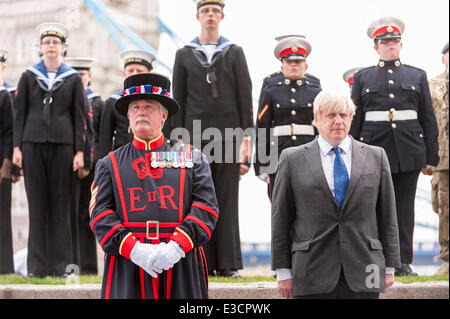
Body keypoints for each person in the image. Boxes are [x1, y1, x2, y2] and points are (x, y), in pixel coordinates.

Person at [90, 73, 218, 299]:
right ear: (128, 116)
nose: (141, 112)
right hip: (128, 262)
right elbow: (99, 215)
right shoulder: (108, 164)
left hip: (181, 261)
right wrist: (134, 249)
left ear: (164, 115)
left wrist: (176, 246)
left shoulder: (193, 157)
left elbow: (206, 208)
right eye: (135, 107)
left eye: (149, 106)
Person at [272, 91, 401, 299]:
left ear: (351, 118)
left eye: (344, 115)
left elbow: (388, 215)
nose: (339, 121)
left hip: (365, 269)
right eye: (331, 115)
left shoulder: (376, 156)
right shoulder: (291, 159)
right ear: (316, 119)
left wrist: (390, 266)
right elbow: (280, 219)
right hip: (311, 270)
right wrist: (283, 272)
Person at [349, 17, 439, 276]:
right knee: (374, 207)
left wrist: (431, 157)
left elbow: (427, 118)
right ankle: (377, 261)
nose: (390, 45)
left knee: (404, 207)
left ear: (400, 45)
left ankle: (402, 262)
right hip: (373, 151)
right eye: (385, 42)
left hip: (410, 152)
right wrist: (351, 153)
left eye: (394, 41)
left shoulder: (417, 75)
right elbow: (355, 119)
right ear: (375, 47)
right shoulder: (363, 77)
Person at [171, 0, 253, 277]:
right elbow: (177, 101)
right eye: (205, 11)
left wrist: (247, 144)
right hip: (193, 139)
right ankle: (200, 262)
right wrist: (178, 142)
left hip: (229, 137)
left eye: (215, 11)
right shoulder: (184, 54)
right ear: (197, 16)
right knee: (196, 200)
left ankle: (228, 265)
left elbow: (245, 101)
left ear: (222, 15)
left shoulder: (234, 52)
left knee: (227, 201)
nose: (210, 15)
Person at [13, 22, 86, 277]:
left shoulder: (74, 79)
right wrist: (16, 147)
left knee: (60, 207)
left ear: (63, 48)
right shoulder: (28, 76)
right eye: (47, 43)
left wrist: (79, 151)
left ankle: (61, 267)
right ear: (40, 48)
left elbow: (80, 118)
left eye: (56, 43)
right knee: (37, 207)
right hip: (32, 145)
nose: (51, 46)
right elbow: (19, 115)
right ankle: (36, 267)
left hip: (63, 147)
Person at [254, 36, 321, 200]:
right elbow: (263, 127)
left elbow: (321, 127)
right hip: (278, 154)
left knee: (309, 205)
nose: (293, 65)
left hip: (308, 152)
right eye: (288, 61)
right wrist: (263, 164)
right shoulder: (271, 91)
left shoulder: (315, 90)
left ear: (306, 65)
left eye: (298, 62)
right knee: (280, 206)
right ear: (282, 66)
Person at [66, 57, 102, 275]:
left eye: (83, 75)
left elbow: (98, 136)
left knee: (89, 218)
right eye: (76, 75)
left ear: (89, 77)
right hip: (69, 166)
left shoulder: (98, 103)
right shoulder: (66, 101)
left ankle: (89, 268)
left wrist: (90, 163)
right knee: (69, 216)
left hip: (91, 168)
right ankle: (72, 266)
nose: (80, 79)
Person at [97, 49, 155, 159]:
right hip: (121, 158)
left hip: (151, 158)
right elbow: (105, 140)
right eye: (130, 70)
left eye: (139, 71)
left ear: (149, 74)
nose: (134, 74)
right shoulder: (113, 102)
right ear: (124, 73)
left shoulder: (158, 102)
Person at [423, 42, 449, 276]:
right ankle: (447, 259)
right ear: (443, 58)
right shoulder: (431, 86)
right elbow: (425, 123)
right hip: (443, 159)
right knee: (445, 210)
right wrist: (425, 157)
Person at [0, 49, 15, 274]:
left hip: (0, 165)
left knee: (2, 217)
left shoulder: (5, 96)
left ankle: (3, 267)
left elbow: (9, 133)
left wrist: (6, 164)